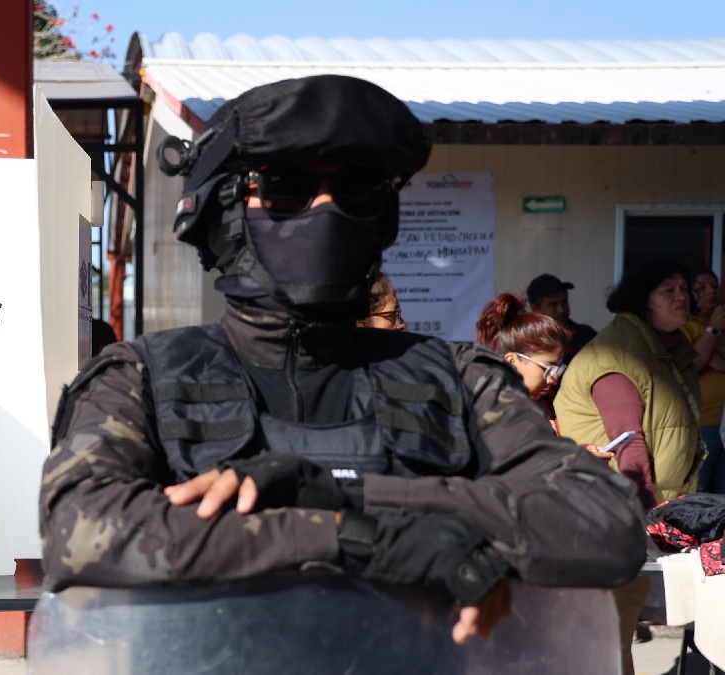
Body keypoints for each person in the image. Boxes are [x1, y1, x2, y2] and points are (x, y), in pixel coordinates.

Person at [40, 74, 646, 651]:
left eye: (358, 192)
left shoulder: (459, 379)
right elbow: (80, 529)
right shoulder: (142, 378)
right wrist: (349, 534)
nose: (327, 212)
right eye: (285, 188)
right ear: (222, 212)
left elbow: (606, 522)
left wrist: (345, 492)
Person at [554, 258, 703, 675]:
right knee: (606, 639)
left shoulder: (668, 349)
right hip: (613, 519)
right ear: (643, 301)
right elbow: (629, 447)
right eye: (667, 291)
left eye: (684, 289)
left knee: (614, 637)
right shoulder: (618, 354)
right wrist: (648, 520)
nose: (681, 297)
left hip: (641, 514)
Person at [474, 293, 569, 428]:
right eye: (547, 368)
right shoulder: (492, 413)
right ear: (511, 361)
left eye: (558, 369)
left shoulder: (549, 404)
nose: (554, 379)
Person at [680, 267, 725, 494]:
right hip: (703, 424)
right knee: (699, 492)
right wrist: (713, 329)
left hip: (724, 422)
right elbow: (693, 365)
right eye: (701, 288)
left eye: (714, 286)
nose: (710, 292)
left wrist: (711, 355)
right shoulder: (685, 326)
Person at [527, 273, 597, 364]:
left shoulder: (585, 336)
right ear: (535, 309)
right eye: (553, 305)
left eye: (564, 302)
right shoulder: (525, 341)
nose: (561, 310)